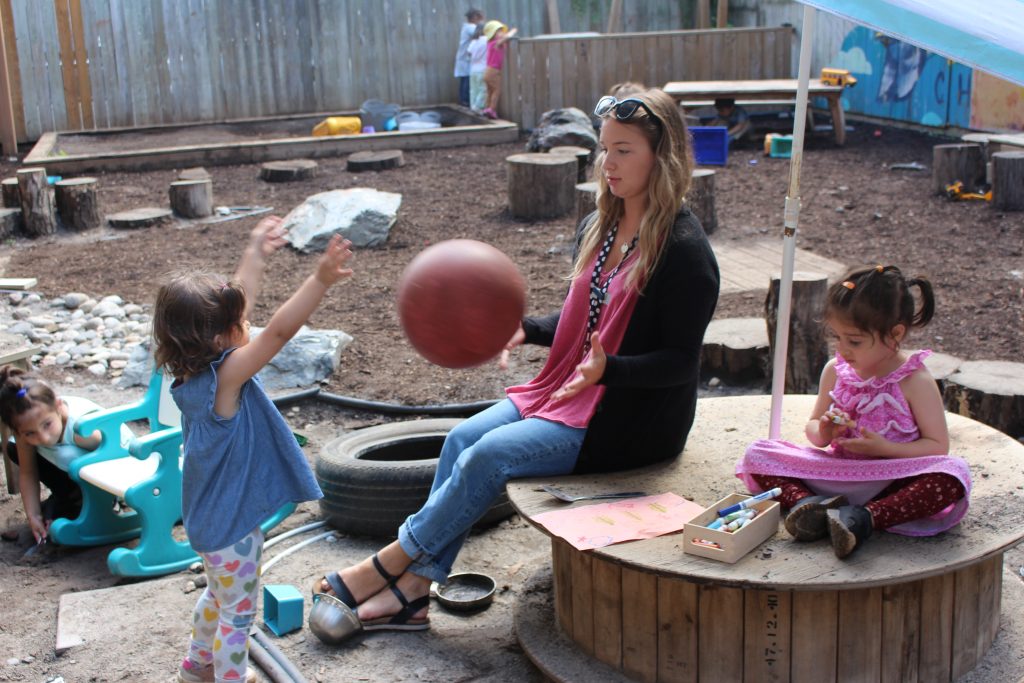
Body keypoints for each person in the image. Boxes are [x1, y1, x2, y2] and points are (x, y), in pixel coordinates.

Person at [312, 88, 719, 638]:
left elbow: (678, 361)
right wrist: (528, 329)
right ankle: (412, 594)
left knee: (489, 455)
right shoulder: (601, 224)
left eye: (623, 151)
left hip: (631, 423)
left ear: (660, 157)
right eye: (604, 149)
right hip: (573, 392)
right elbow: (592, 316)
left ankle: (384, 567)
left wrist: (610, 373)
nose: (608, 164)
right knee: (460, 441)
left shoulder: (686, 253)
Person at [155, 217, 353, 683]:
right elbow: (278, 334)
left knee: (218, 598)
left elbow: (237, 303)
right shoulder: (226, 379)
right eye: (239, 321)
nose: (249, 321)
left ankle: (195, 666)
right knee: (238, 617)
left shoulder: (193, 376)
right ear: (221, 339)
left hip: (208, 524)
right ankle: (229, 677)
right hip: (232, 531)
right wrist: (318, 281)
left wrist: (256, 253)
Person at [736, 265, 971, 559]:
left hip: (892, 479)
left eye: (855, 341)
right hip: (836, 472)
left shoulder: (914, 380)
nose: (843, 349)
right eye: (837, 338)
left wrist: (885, 448)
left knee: (953, 474)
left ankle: (866, 517)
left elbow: (938, 446)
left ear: (894, 333)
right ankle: (811, 506)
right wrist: (823, 430)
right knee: (758, 453)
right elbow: (813, 431)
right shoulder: (836, 371)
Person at [0, 366, 126, 544]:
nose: (43, 437)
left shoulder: (82, 431)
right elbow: (28, 473)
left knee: (65, 456)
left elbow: (116, 455)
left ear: (58, 406)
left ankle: (96, 506)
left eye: (47, 425)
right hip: (75, 469)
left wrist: (112, 495)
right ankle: (69, 499)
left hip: (116, 470)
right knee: (15, 448)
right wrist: (33, 515)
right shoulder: (30, 425)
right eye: (29, 433)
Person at [481, 20, 517, 119]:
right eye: (499, 32)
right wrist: (512, 32)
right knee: (497, 90)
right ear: (492, 34)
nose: (502, 33)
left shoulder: (491, 43)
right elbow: (506, 38)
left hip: (488, 71)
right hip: (493, 71)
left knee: (490, 91)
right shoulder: (495, 43)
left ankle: (486, 109)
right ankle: (491, 109)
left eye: (502, 31)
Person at [454, 9, 484, 107]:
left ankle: (463, 100)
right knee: (467, 79)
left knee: (464, 79)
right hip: (467, 57)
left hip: (465, 57)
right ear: (475, 17)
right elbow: (481, 33)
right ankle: (465, 101)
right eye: (479, 17)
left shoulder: (466, 27)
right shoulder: (470, 27)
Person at [467, 24, 488, 113]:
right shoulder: (486, 40)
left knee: (473, 90)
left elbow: (468, 54)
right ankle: (478, 107)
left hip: (473, 70)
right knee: (483, 90)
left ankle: (473, 107)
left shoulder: (474, 42)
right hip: (483, 69)